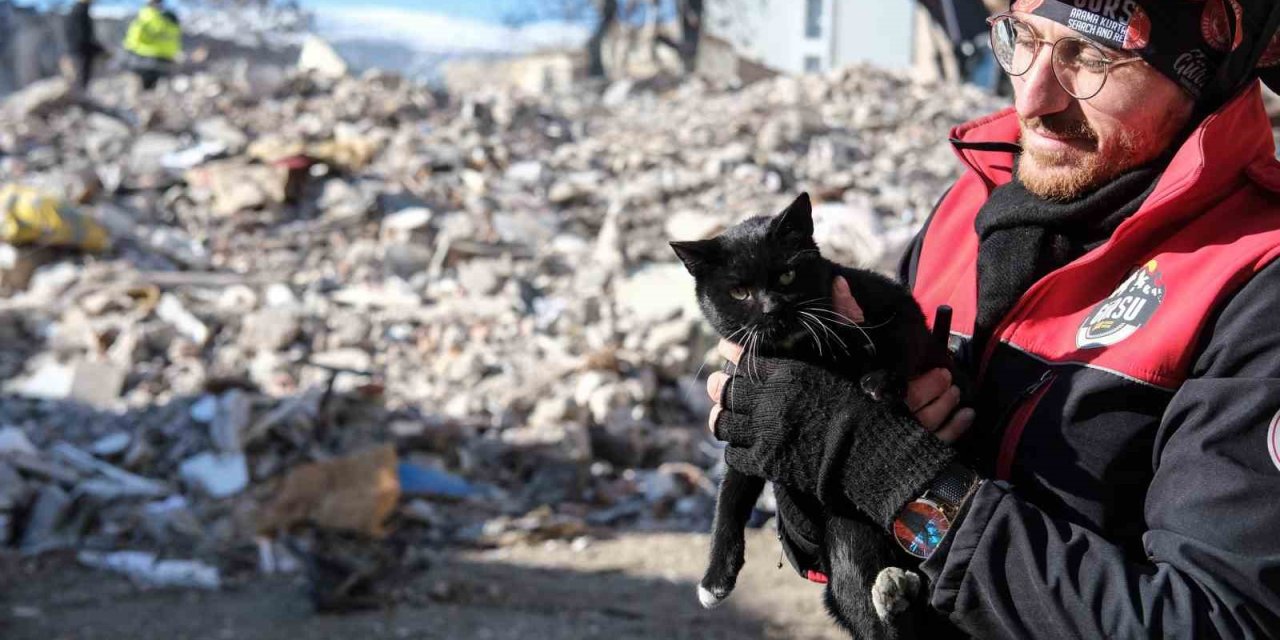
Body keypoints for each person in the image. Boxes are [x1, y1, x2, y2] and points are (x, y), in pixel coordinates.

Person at [706, 0, 1280, 637]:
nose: (1034, 99)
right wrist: (808, 450)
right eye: (1022, 36)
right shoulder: (968, 209)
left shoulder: (1255, 286)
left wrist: (900, 479)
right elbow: (834, 552)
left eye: (1093, 56)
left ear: (1198, 76)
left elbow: (1215, 622)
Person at [121, 0, 181, 91]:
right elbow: (175, 40)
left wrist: (129, 50)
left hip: (143, 60)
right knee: (159, 90)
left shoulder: (144, 16)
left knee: (141, 90)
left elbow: (132, 40)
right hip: (165, 60)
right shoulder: (171, 18)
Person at [63, 0, 106, 92]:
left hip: (78, 54)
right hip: (80, 55)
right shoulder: (79, 12)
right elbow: (82, 37)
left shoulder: (79, 11)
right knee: (79, 84)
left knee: (79, 84)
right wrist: (99, 50)